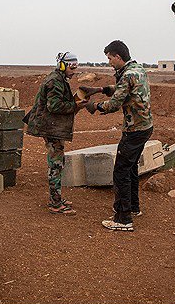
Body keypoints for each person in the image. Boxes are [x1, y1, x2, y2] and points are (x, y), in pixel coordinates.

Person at [83, 40, 153, 232]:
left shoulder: (127, 75)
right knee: (130, 169)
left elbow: (113, 104)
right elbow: (125, 89)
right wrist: (101, 90)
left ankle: (123, 219)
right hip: (145, 127)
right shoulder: (137, 69)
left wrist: (95, 106)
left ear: (118, 57)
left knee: (121, 171)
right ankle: (134, 207)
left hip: (134, 130)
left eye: (109, 58)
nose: (108, 62)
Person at [25, 51, 87, 215]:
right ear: (62, 65)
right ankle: (55, 203)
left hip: (52, 126)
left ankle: (56, 198)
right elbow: (54, 106)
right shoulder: (55, 81)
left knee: (58, 162)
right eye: (71, 66)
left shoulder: (59, 79)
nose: (74, 70)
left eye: (76, 66)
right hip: (50, 127)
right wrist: (75, 106)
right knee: (56, 164)